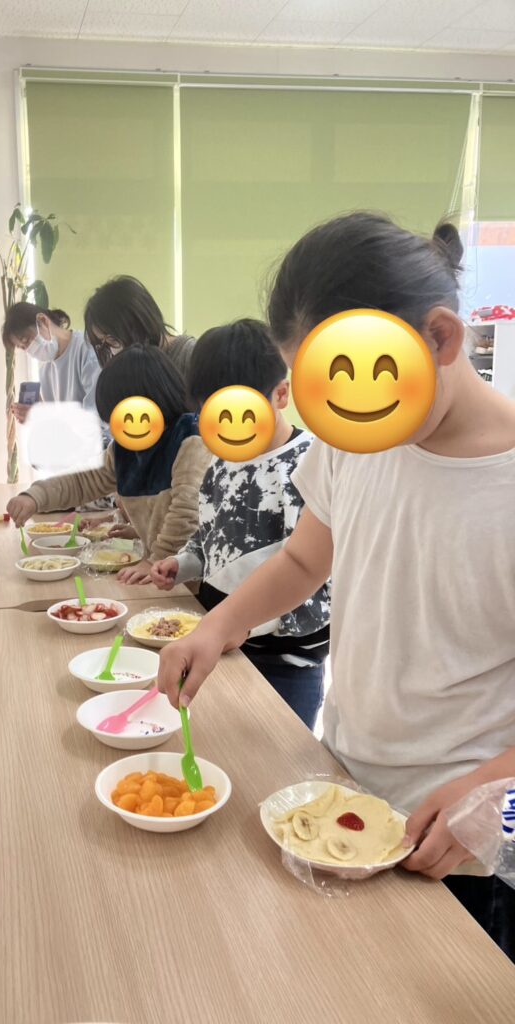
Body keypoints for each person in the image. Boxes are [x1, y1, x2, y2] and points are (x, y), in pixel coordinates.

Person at [156, 213, 515, 960]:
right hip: (344, 780)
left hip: (460, 839)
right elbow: (302, 561)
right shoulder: (356, 440)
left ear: (441, 338)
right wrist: (217, 627)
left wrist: (491, 788)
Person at [149, 319, 330, 730]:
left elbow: (316, 579)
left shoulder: (309, 464)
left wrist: (240, 623)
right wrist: (183, 563)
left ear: (280, 394)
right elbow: (209, 539)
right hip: (218, 646)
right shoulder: (221, 464)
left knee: (278, 756)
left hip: (287, 662)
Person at [7, 347, 212, 583]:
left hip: (190, 580)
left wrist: (155, 561)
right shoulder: (123, 449)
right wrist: (35, 496)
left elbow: (187, 512)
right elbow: (82, 482)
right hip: (159, 574)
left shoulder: (190, 439)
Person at [2, 303, 100, 424]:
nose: (29, 350)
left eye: (26, 341)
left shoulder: (86, 350)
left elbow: (95, 420)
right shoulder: (45, 370)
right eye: (23, 347)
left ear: (43, 321)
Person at [84, 275, 196, 380]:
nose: (113, 352)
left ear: (137, 322)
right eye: (103, 343)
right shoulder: (134, 370)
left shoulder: (189, 357)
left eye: (112, 339)